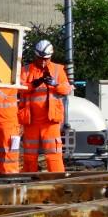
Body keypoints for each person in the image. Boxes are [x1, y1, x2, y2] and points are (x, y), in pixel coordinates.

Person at [19, 40, 72, 173]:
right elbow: (19, 88)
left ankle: (58, 182)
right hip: (31, 122)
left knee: (54, 155)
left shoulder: (57, 69)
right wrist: (33, 84)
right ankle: (28, 183)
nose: (43, 62)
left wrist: (55, 84)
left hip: (50, 122)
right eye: (40, 58)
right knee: (29, 156)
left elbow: (66, 89)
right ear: (35, 56)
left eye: (46, 59)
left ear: (50, 57)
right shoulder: (25, 70)